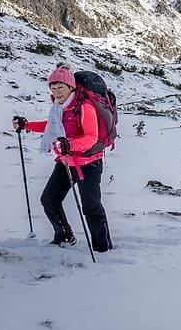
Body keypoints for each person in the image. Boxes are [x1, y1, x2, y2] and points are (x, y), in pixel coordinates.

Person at [13, 64, 112, 252]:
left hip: (89, 162)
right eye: (53, 87)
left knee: (90, 206)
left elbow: (91, 137)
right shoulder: (58, 108)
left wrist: (69, 145)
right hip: (66, 161)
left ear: (70, 87)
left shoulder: (85, 106)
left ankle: (102, 247)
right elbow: (51, 126)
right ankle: (64, 236)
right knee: (49, 199)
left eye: (61, 87)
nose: (57, 91)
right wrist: (27, 126)